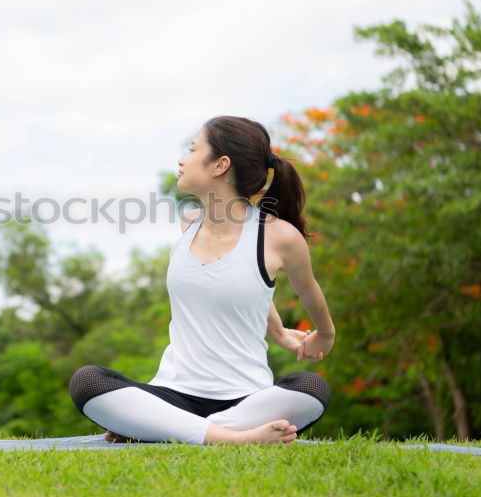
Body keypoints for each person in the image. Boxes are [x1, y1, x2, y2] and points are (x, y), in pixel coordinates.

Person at [69, 116, 336, 445]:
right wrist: (278, 331)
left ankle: (167, 429)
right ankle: (231, 438)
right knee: (88, 381)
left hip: (247, 400)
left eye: (193, 149)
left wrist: (324, 334)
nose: (182, 159)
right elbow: (226, 286)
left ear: (220, 165)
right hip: (172, 394)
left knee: (312, 389)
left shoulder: (277, 236)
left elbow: (305, 290)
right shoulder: (190, 223)